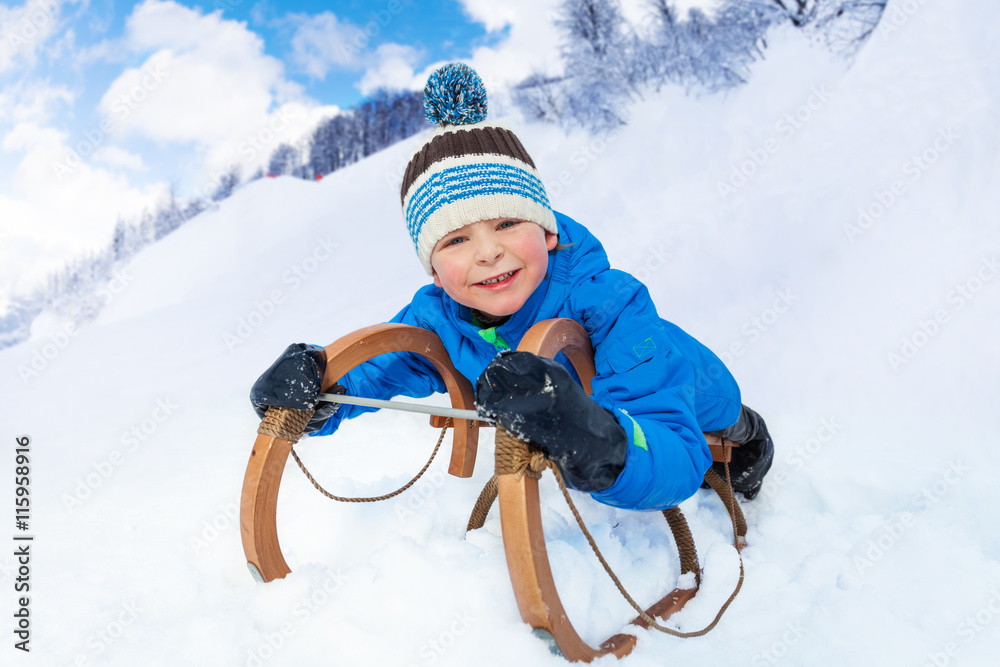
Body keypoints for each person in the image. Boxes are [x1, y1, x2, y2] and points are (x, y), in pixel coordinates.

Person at [251, 63, 773, 508]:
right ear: (434, 272)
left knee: (727, 440)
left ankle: (751, 436)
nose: (486, 252)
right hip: (596, 410)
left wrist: (600, 441)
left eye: (506, 224)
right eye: (455, 240)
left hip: (700, 401)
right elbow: (383, 366)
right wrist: (322, 387)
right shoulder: (439, 316)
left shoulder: (609, 305)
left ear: (546, 233)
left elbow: (675, 441)